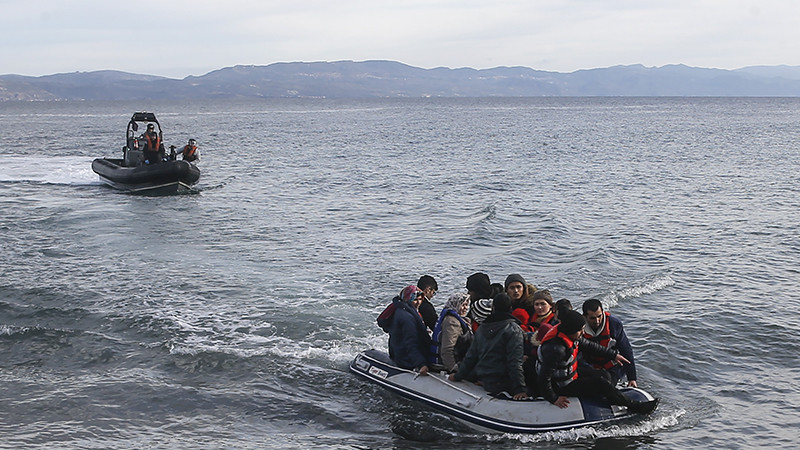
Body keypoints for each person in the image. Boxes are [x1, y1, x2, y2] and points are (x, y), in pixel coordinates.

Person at [536, 310, 658, 414]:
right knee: (601, 383)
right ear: (570, 330)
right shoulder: (556, 349)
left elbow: (589, 345)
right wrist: (553, 398)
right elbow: (544, 377)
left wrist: (614, 355)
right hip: (561, 386)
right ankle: (636, 406)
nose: (583, 333)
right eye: (580, 330)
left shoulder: (569, 335)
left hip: (570, 374)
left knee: (603, 375)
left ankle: (611, 395)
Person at [449, 293, 527, 400]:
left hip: (484, 378)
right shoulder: (513, 330)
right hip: (502, 382)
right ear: (510, 308)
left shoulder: (482, 328)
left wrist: (458, 376)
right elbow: (514, 362)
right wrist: (520, 389)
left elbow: (471, 357)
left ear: (493, 308)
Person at [581, 299, 638, 387]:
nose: (597, 321)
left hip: (611, 367)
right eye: (592, 318)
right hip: (589, 367)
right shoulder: (578, 328)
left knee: (606, 385)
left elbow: (626, 350)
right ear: (584, 316)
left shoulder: (614, 324)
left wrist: (632, 378)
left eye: (599, 316)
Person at [388, 285, 432, 375]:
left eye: (420, 299)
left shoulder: (402, 310)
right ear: (408, 299)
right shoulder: (407, 318)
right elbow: (410, 343)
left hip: (397, 352)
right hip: (405, 359)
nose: (418, 303)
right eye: (415, 300)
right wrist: (421, 364)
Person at [431, 293, 473, 372]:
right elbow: (447, 349)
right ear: (456, 304)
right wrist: (454, 369)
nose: (466, 308)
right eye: (463, 305)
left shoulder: (459, 319)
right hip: (444, 365)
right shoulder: (452, 322)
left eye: (467, 305)